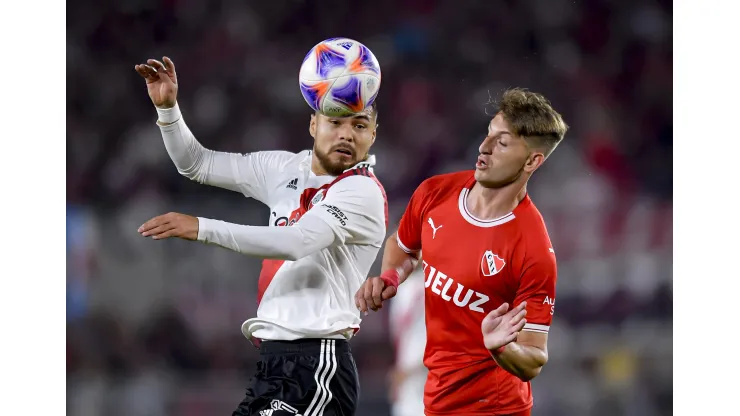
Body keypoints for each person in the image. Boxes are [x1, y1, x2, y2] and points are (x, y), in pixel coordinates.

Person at [134, 56, 388, 416]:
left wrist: (202, 227)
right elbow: (197, 163)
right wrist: (168, 110)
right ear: (314, 123)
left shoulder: (362, 192)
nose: (347, 134)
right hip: (273, 362)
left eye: (360, 126)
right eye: (335, 121)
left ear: (372, 135)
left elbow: (297, 242)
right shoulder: (283, 169)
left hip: (318, 364)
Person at [355, 88, 568, 416]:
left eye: (503, 142)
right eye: (489, 134)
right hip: (435, 402)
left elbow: (535, 356)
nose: (484, 148)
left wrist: (503, 349)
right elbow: (403, 244)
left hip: (496, 408)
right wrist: (391, 276)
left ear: (532, 160)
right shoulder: (435, 193)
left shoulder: (533, 250)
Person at [387, 265, 427, 416]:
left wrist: (410, 370)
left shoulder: (436, 285)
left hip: (428, 376)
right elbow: (400, 337)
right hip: (406, 379)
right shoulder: (401, 289)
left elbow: (445, 338)